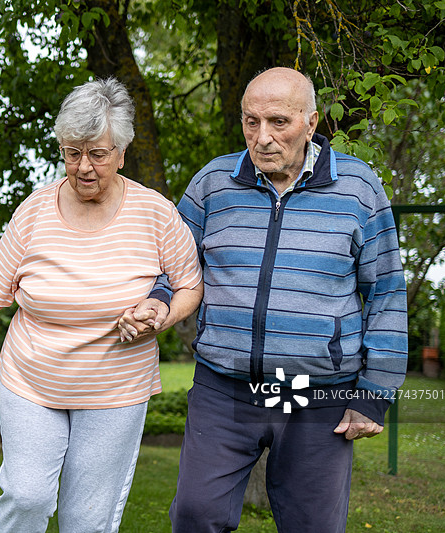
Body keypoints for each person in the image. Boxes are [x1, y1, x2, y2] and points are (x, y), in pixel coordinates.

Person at [118, 67, 407, 532]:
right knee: (195, 515)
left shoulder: (359, 188)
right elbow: (171, 267)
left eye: (278, 122)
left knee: (312, 526)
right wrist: (158, 301)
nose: (263, 137)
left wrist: (375, 393)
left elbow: (387, 291)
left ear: (311, 124)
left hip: (320, 396)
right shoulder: (213, 183)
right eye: (251, 121)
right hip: (224, 387)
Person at [0, 77, 204, 533]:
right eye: (71, 152)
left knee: (87, 519)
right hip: (31, 382)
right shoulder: (33, 212)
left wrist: (160, 315)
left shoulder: (157, 214)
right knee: (26, 496)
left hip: (115, 392)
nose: (83, 167)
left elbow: (189, 286)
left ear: (121, 152)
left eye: (97, 154)